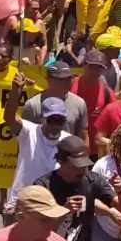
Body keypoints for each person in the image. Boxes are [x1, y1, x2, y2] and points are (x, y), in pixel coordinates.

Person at [33, 135, 118, 241]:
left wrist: (120, 191)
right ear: (60, 161)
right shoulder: (43, 186)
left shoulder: (93, 180)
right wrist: (64, 211)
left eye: (84, 165)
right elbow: (37, 230)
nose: (81, 170)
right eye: (75, 166)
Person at [6, 74, 72, 207]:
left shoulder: (68, 142)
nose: (55, 125)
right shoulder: (29, 131)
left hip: (51, 206)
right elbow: (9, 117)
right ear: (42, 118)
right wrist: (15, 92)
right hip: (21, 203)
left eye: (59, 121)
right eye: (51, 120)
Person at [22, 61, 89, 139]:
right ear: (48, 80)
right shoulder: (33, 105)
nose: (65, 83)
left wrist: (85, 150)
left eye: (68, 79)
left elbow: (83, 136)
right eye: (60, 80)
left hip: (68, 150)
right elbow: (24, 137)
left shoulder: (79, 103)